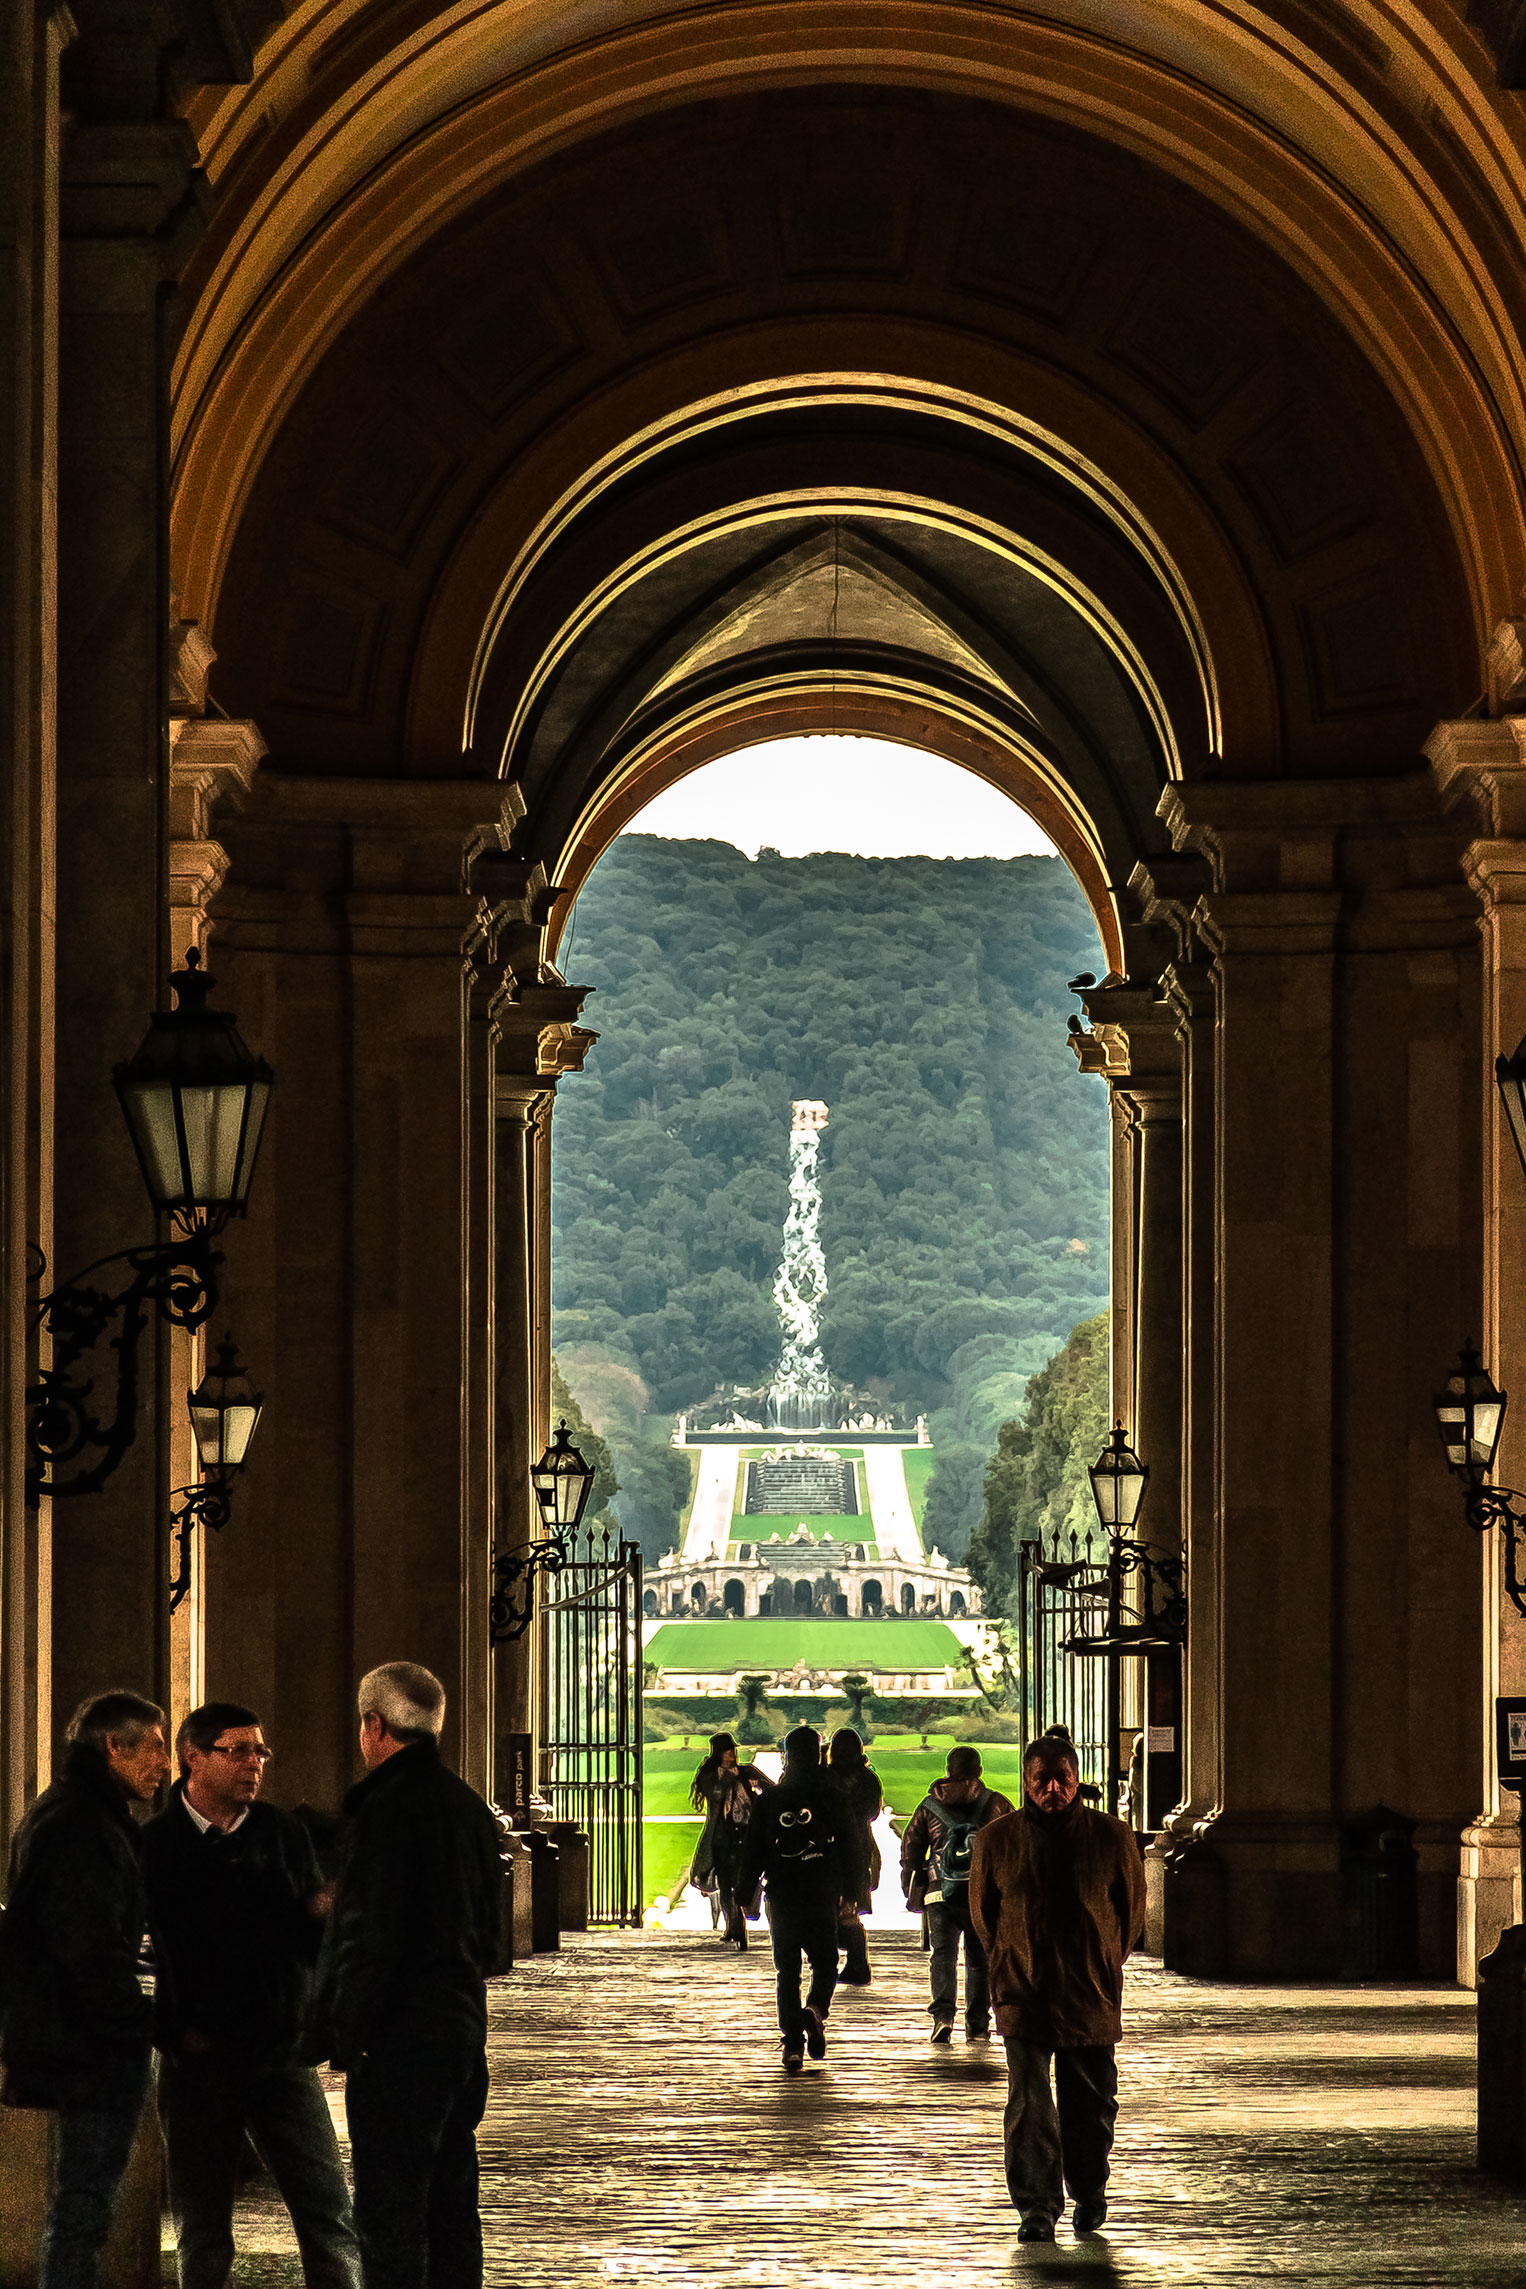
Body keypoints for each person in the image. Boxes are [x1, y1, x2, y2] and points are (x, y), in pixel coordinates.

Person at [141, 1700, 361, 2289]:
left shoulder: (280, 1832)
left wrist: (322, 1911)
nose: (254, 1763)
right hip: (199, 2059)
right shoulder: (156, 1844)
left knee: (327, 2213)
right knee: (203, 2226)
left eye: (260, 1750)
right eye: (237, 1749)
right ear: (193, 1758)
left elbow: (306, 1932)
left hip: (279, 2051)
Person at [315, 1662, 505, 2289]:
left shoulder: (385, 1811)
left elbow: (369, 1938)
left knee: (391, 2215)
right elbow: (491, 1941)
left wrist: (345, 2033)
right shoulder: (469, 1808)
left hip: (398, 2039)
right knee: (452, 2207)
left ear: (374, 1725)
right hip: (459, 2033)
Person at [0, 1690, 170, 2289]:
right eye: (153, 1746)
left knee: (82, 2205)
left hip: (76, 2037)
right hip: (90, 2046)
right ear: (112, 1747)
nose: (164, 1763)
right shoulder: (82, 1824)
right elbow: (86, 1948)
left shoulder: (74, 1813)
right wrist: (139, 2025)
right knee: (83, 2208)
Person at [969, 1725, 1147, 2244]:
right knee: (1028, 2102)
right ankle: (1037, 2205)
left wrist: (1106, 1962)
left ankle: (1089, 2189)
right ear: (1026, 1782)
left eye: (1063, 1780)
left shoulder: (1110, 1837)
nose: (1053, 1790)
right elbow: (984, 1915)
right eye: (1042, 1780)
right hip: (1023, 1989)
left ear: (1077, 1780)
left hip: (1090, 1990)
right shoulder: (998, 1840)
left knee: (1090, 2102)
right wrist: (1010, 1958)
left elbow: (1132, 1914)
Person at [735, 1724, 858, 2072]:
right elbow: (852, 1846)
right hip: (821, 1891)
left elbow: (753, 1850)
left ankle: (792, 2044)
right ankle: (816, 2010)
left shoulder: (771, 1799)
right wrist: (853, 1892)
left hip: (783, 1893)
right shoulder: (832, 1796)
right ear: (818, 1755)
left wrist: (744, 1893)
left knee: (786, 1969)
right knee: (825, 1962)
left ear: (787, 1757)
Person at [900, 1744, 1015, 2043]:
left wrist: (914, 1886)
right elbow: (1014, 1847)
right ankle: (977, 2024)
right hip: (982, 1896)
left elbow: (911, 1848)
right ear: (979, 1771)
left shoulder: (929, 1806)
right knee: (980, 1960)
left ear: (948, 1771)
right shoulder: (997, 1804)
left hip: (940, 1893)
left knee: (943, 1955)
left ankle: (943, 2016)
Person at [687, 1732, 772, 1948]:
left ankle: (740, 1921)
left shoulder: (746, 1772)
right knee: (725, 1884)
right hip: (722, 1835)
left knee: (745, 1878)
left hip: (746, 1832)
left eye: (732, 1751)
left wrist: (756, 1786)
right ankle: (732, 1925)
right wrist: (727, 1779)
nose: (731, 1755)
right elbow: (713, 1793)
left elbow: (772, 1790)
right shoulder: (710, 1774)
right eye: (727, 1751)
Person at [825, 1728, 882, 1985]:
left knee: (833, 1908)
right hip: (859, 1845)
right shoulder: (868, 1779)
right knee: (850, 1908)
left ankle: (853, 1963)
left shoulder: (826, 1777)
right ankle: (857, 1961)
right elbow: (873, 1813)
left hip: (832, 1848)